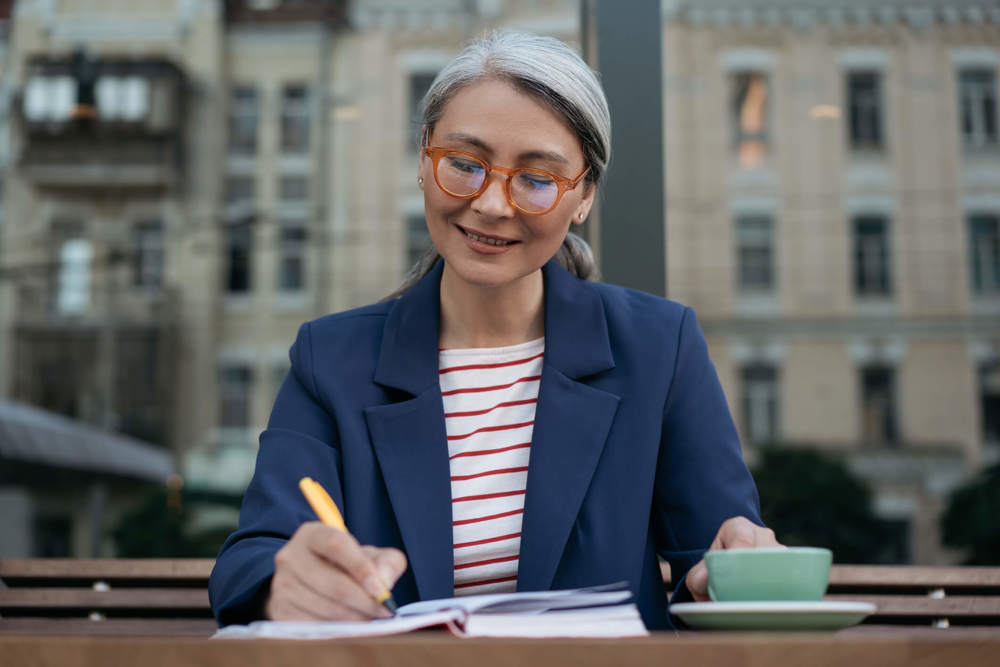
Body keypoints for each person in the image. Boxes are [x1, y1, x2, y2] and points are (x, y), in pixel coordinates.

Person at [209, 30, 779, 631]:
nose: (491, 204)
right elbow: (252, 558)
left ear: (583, 196)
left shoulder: (659, 348)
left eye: (537, 180)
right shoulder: (332, 360)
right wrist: (285, 583)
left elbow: (713, 564)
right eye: (464, 164)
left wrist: (732, 571)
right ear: (424, 159)